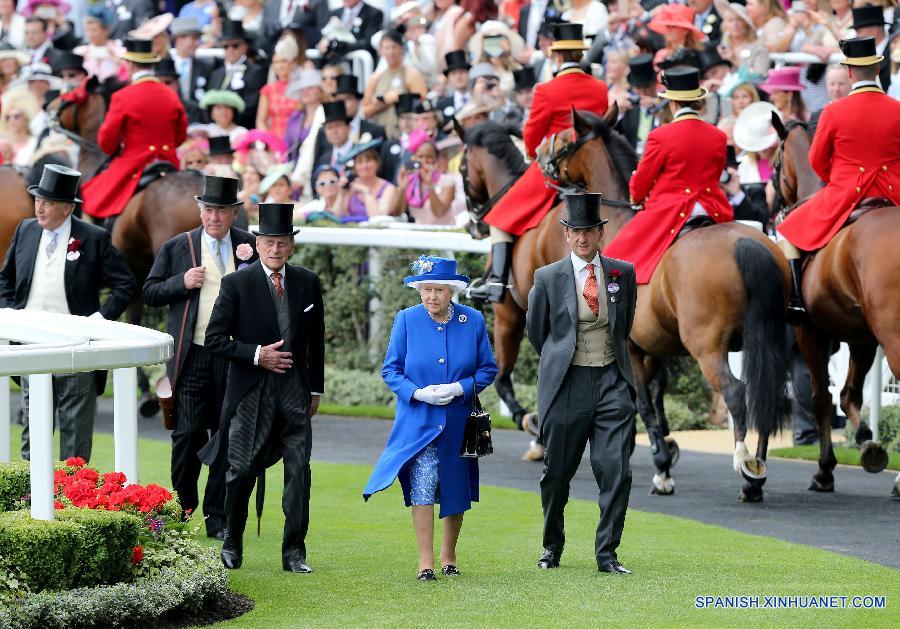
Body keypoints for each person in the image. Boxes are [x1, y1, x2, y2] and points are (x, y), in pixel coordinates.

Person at [201, 202, 325, 574]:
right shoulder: (236, 283)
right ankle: (232, 540)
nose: (275, 249)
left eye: (283, 242)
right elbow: (214, 340)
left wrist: (315, 390)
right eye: (269, 241)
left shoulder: (307, 281)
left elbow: (316, 341)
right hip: (251, 391)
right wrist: (257, 355)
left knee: (299, 470)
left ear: (292, 246)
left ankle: (293, 553)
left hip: (295, 391)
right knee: (240, 471)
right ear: (257, 244)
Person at [364, 255, 497, 581]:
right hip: (419, 421)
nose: (430, 297)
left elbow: (487, 369)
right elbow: (391, 370)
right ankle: (426, 562)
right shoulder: (406, 320)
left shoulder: (473, 320)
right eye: (425, 289)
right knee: (422, 486)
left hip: (459, 421)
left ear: (451, 291)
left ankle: (449, 555)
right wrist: (418, 393)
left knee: (456, 486)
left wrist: (459, 387)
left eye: (437, 289)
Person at [525, 192, 637, 575]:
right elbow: (538, 333)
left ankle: (607, 554)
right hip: (567, 383)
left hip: (612, 381)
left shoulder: (623, 273)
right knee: (556, 474)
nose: (583, 238)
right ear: (567, 235)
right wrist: (563, 359)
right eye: (576, 231)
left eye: (589, 230)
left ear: (599, 234)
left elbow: (625, 325)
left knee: (616, 470)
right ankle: (551, 546)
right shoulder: (547, 278)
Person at [143, 175, 258, 541]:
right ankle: (184, 506)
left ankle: (218, 516)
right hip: (191, 356)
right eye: (209, 210)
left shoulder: (249, 246)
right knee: (187, 434)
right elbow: (150, 291)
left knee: (227, 438)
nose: (215, 217)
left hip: (234, 357)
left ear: (234, 213)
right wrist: (182, 282)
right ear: (200, 210)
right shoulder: (179, 246)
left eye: (222, 211)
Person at [0, 165, 135, 461]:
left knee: (75, 435)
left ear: (66, 208)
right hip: (30, 348)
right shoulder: (25, 229)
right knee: (32, 430)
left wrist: (98, 322)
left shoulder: (93, 237)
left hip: (76, 349)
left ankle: (71, 501)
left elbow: (125, 284)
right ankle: (29, 501)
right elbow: (5, 279)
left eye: (47, 203)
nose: (39, 208)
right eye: (37, 200)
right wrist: (12, 315)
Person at [467, 21, 609, 304]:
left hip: (557, 170)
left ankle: (496, 282)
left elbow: (531, 140)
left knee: (500, 217)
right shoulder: (599, 88)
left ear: (556, 56)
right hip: (594, 171)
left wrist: (535, 154)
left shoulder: (547, 90)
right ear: (580, 55)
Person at [776, 36, 900, 314]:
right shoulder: (898, 109)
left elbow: (817, 160)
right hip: (894, 192)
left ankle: (795, 301)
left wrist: (839, 178)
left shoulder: (833, 111)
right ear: (877, 70)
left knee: (788, 229)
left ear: (850, 72)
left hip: (846, 192)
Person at [603, 68, 734, 284]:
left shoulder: (660, 136)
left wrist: (636, 197)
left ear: (672, 103)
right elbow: (716, 172)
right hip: (713, 208)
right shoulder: (718, 135)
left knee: (613, 260)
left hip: (671, 209)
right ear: (698, 102)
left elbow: (642, 181)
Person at [80, 38, 187, 226]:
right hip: (169, 161)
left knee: (88, 198)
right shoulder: (171, 95)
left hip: (135, 162)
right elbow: (180, 136)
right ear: (152, 65)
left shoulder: (122, 96)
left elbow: (107, 142)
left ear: (129, 64)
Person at [360, 30, 429, 139]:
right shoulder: (375, 78)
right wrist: (385, 101)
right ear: (380, 51)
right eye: (387, 48)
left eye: (394, 47)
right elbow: (365, 111)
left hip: (405, 134)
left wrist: (402, 98)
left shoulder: (411, 74)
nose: (391, 52)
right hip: (381, 133)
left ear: (401, 48)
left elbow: (423, 106)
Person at [208, 20, 268, 128]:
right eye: (226, 46)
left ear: (245, 46)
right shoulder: (216, 73)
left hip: (243, 129)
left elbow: (251, 106)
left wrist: (227, 118)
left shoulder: (255, 72)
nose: (230, 50)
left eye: (235, 45)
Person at [337, 140, 397, 221]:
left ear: (377, 163)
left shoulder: (389, 188)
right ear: (355, 167)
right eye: (360, 162)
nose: (364, 166)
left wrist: (366, 191)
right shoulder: (350, 186)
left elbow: (378, 218)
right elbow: (339, 215)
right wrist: (341, 192)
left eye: (368, 161)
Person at [256, 39, 299, 138]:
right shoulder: (268, 90)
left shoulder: (302, 88)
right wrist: (270, 141)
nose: (280, 66)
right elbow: (261, 120)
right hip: (274, 141)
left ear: (293, 62)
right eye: (276, 62)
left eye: (284, 61)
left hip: (297, 139)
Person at [0, 87, 39, 166]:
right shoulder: (2, 142)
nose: (12, 120)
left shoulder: (34, 143)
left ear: (26, 119)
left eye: (16, 116)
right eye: (8, 117)